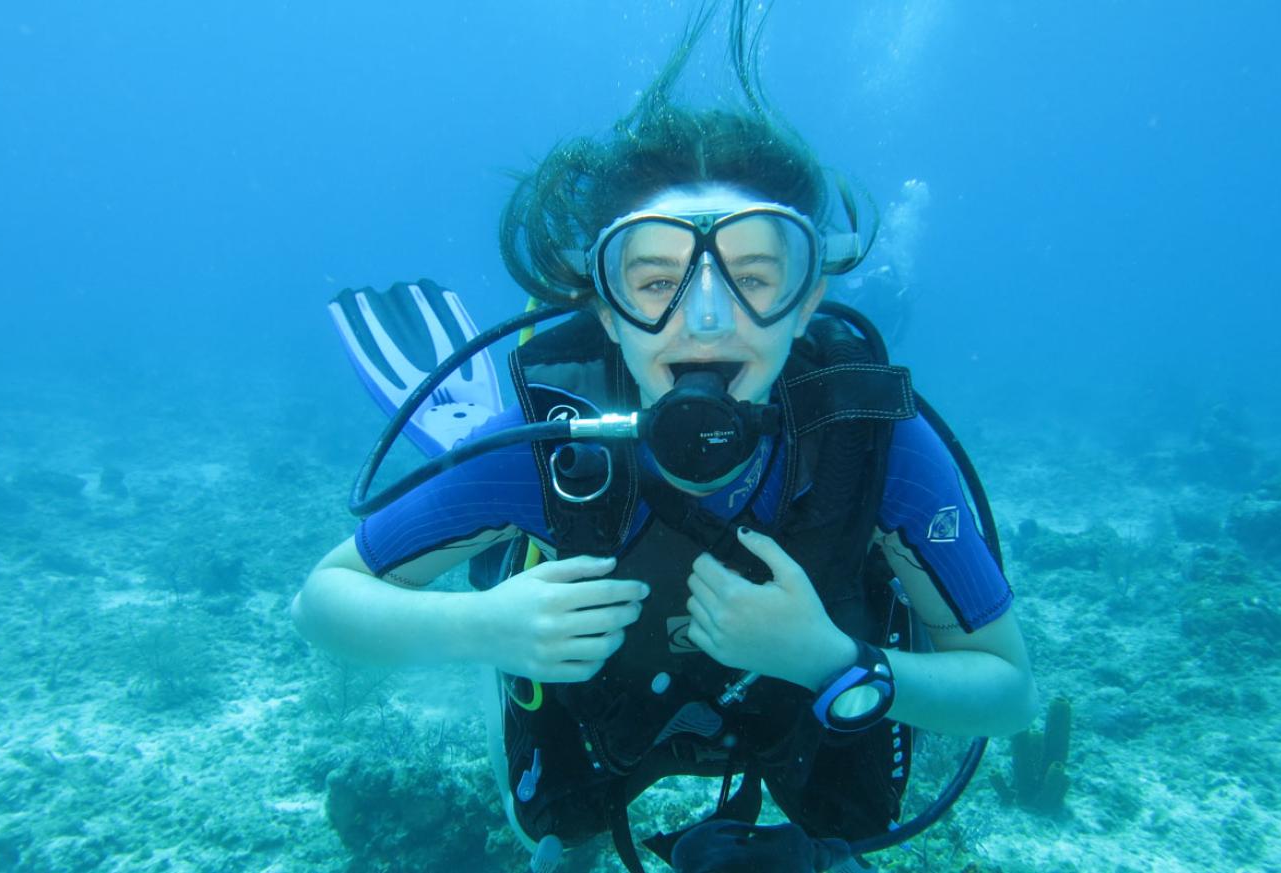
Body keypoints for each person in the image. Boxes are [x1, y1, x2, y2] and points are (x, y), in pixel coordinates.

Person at [294, 5, 1037, 871]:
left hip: (803, 700)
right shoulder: (546, 441)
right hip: (598, 705)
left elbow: (1009, 690)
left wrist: (833, 658)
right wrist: (486, 625)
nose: (709, 317)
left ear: (804, 305)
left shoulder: (874, 444)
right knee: (559, 839)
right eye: (655, 280)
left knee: (843, 834)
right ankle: (506, 565)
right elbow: (323, 601)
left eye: (757, 276)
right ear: (607, 310)